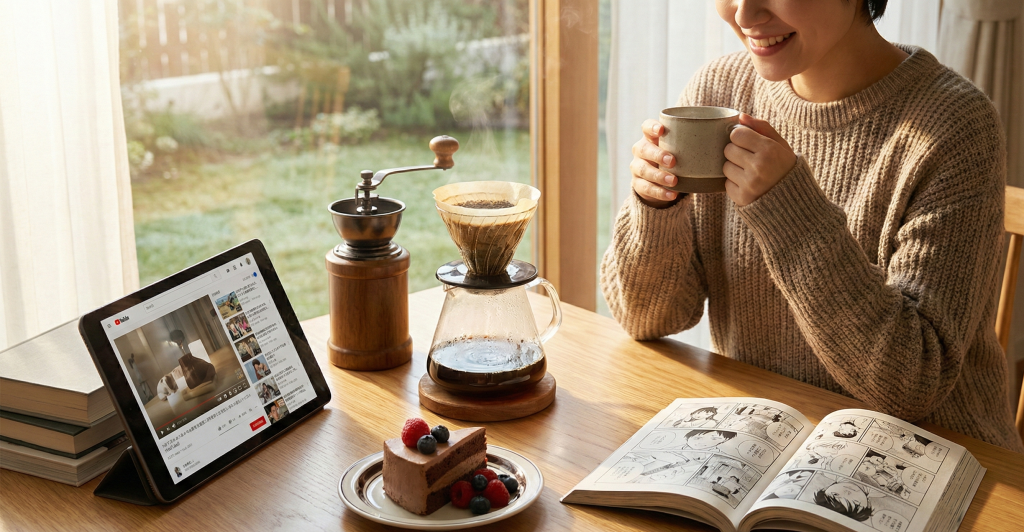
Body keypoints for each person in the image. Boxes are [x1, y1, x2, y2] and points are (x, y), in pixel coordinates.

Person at [601, 0, 1023, 452]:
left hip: (935, 457)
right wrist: (655, 205)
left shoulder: (955, 125)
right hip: (764, 444)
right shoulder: (722, 93)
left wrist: (789, 210)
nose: (744, 15)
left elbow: (910, 384)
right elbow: (646, 318)